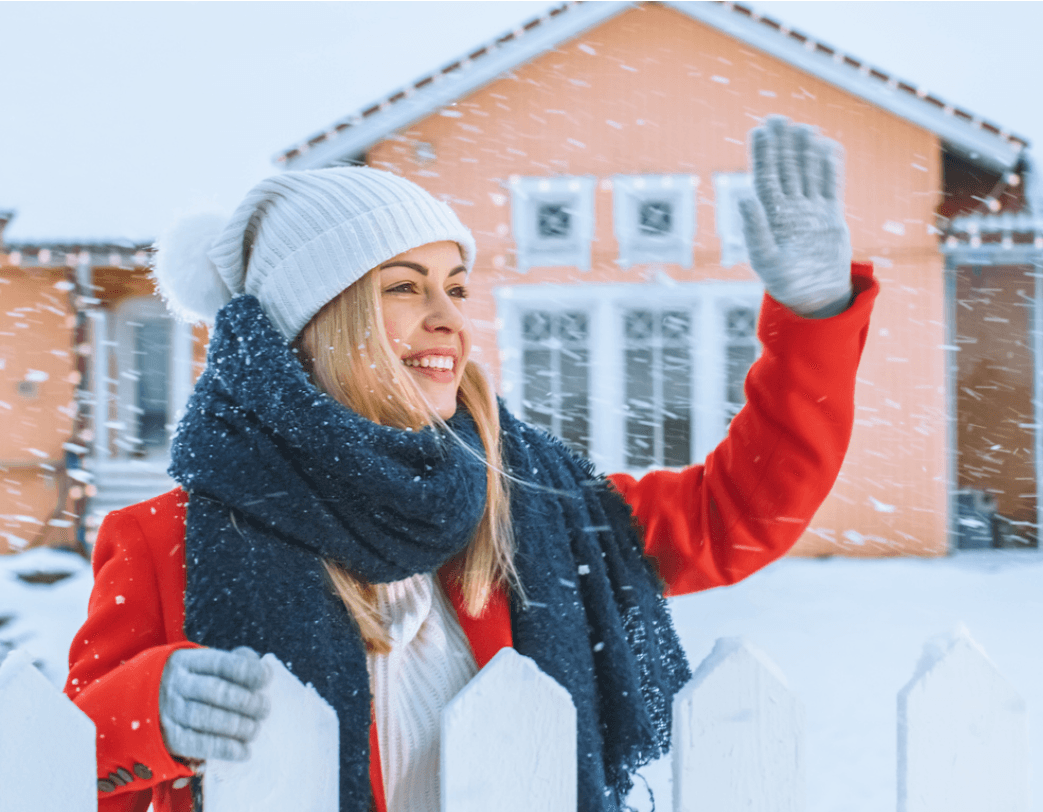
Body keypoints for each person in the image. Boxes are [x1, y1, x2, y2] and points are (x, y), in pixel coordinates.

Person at [65, 117, 878, 812]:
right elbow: (59, 755)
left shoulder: (524, 496)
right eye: (404, 288)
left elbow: (734, 516)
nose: (448, 318)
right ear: (317, 320)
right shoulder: (162, 542)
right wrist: (149, 710)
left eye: (457, 287)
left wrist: (814, 319)